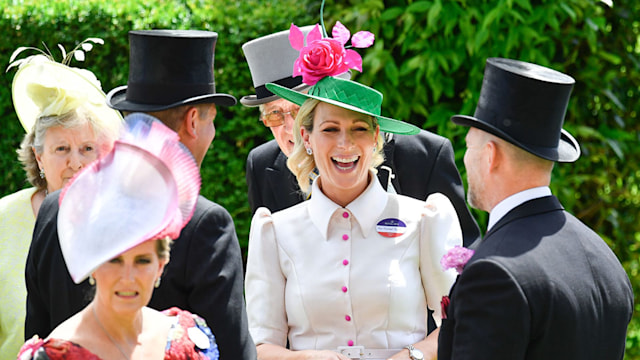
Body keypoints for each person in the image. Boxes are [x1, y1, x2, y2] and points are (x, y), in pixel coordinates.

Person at [24, 30, 256, 360]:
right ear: (193, 121)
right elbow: (232, 352)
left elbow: (37, 330)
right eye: (211, 121)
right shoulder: (207, 223)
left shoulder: (56, 207)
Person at [245, 22, 462, 360]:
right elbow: (259, 342)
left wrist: (411, 357)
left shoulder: (426, 217)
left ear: (376, 137)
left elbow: (459, 322)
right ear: (308, 136)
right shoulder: (272, 229)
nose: (344, 144)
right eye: (329, 129)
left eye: (359, 129)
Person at [437, 58, 634, 359]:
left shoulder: (494, 273)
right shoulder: (605, 260)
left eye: (469, 147)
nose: (465, 160)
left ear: (491, 156)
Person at [241, 26, 480, 248]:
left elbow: (462, 251)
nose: (289, 126)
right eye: (274, 114)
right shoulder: (261, 166)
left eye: (299, 110)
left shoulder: (424, 156)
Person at [18, 113, 219, 359]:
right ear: (92, 263)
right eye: (114, 259)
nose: (128, 277)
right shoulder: (54, 354)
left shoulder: (188, 339)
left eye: (142, 260)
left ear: (160, 265)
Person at [0, 42, 122, 360]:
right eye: (61, 149)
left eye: (86, 148)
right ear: (39, 157)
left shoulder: (121, 219)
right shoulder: (3, 218)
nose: (76, 163)